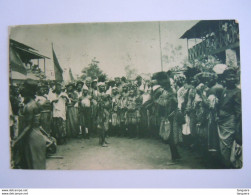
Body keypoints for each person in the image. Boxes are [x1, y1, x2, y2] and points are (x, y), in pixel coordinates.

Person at [11, 81, 46, 169]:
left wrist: (16, 141)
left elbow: (28, 127)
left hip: (31, 138)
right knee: (37, 166)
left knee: (33, 166)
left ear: (28, 91)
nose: (20, 89)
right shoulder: (34, 104)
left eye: (23, 87)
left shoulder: (29, 106)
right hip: (36, 136)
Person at [217, 68, 242, 168]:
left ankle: (228, 168)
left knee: (228, 148)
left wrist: (237, 129)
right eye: (229, 77)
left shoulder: (237, 92)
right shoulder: (224, 90)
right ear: (224, 79)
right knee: (223, 148)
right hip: (222, 123)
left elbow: (239, 113)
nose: (231, 79)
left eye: (233, 77)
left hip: (230, 124)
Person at [152, 72, 180, 162]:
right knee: (170, 136)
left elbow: (168, 104)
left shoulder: (169, 92)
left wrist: (158, 102)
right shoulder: (167, 91)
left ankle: (174, 158)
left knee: (170, 136)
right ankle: (176, 155)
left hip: (170, 116)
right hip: (169, 116)